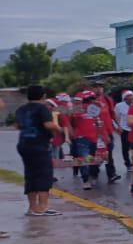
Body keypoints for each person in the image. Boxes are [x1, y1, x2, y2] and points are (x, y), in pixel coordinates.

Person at [14, 85, 62, 216]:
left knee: (30, 175)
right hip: (39, 145)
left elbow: (17, 125)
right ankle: (43, 208)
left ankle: (32, 208)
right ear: (43, 96)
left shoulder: (21, 109)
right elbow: (48, 124)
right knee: (44, 175)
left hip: (24, 144)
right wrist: (59, 130)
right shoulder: (42, 108)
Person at [68, 90, 107, 189]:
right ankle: (85, 179)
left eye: (93, 98)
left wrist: (103, 136)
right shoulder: (77, 109)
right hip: (82, 138)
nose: (92, 101)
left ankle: (93, 175)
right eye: (90, 99)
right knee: (84, 158)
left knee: (92, 159)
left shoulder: (96, 109)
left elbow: (100, 123)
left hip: (94, 138)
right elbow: (72, 122)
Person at [91, 81, 121, 183]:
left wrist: (118, 126)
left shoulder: (107, 100)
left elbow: (112, 114)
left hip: (108, 132)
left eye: (100, 86)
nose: (98, 88)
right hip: (94, 133)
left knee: (109, 153)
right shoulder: (88, 100)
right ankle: (93, 174)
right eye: (96, 86)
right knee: (95, 154)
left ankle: (111, 174)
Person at [114, 90, 133, 174]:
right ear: (125, 98)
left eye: (131, 96)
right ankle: (128, 164)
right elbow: (115, 117)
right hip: (124, 129)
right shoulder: (119, 106)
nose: (130, 98)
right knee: (125, 148)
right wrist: (117, 127)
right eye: (128, 97)